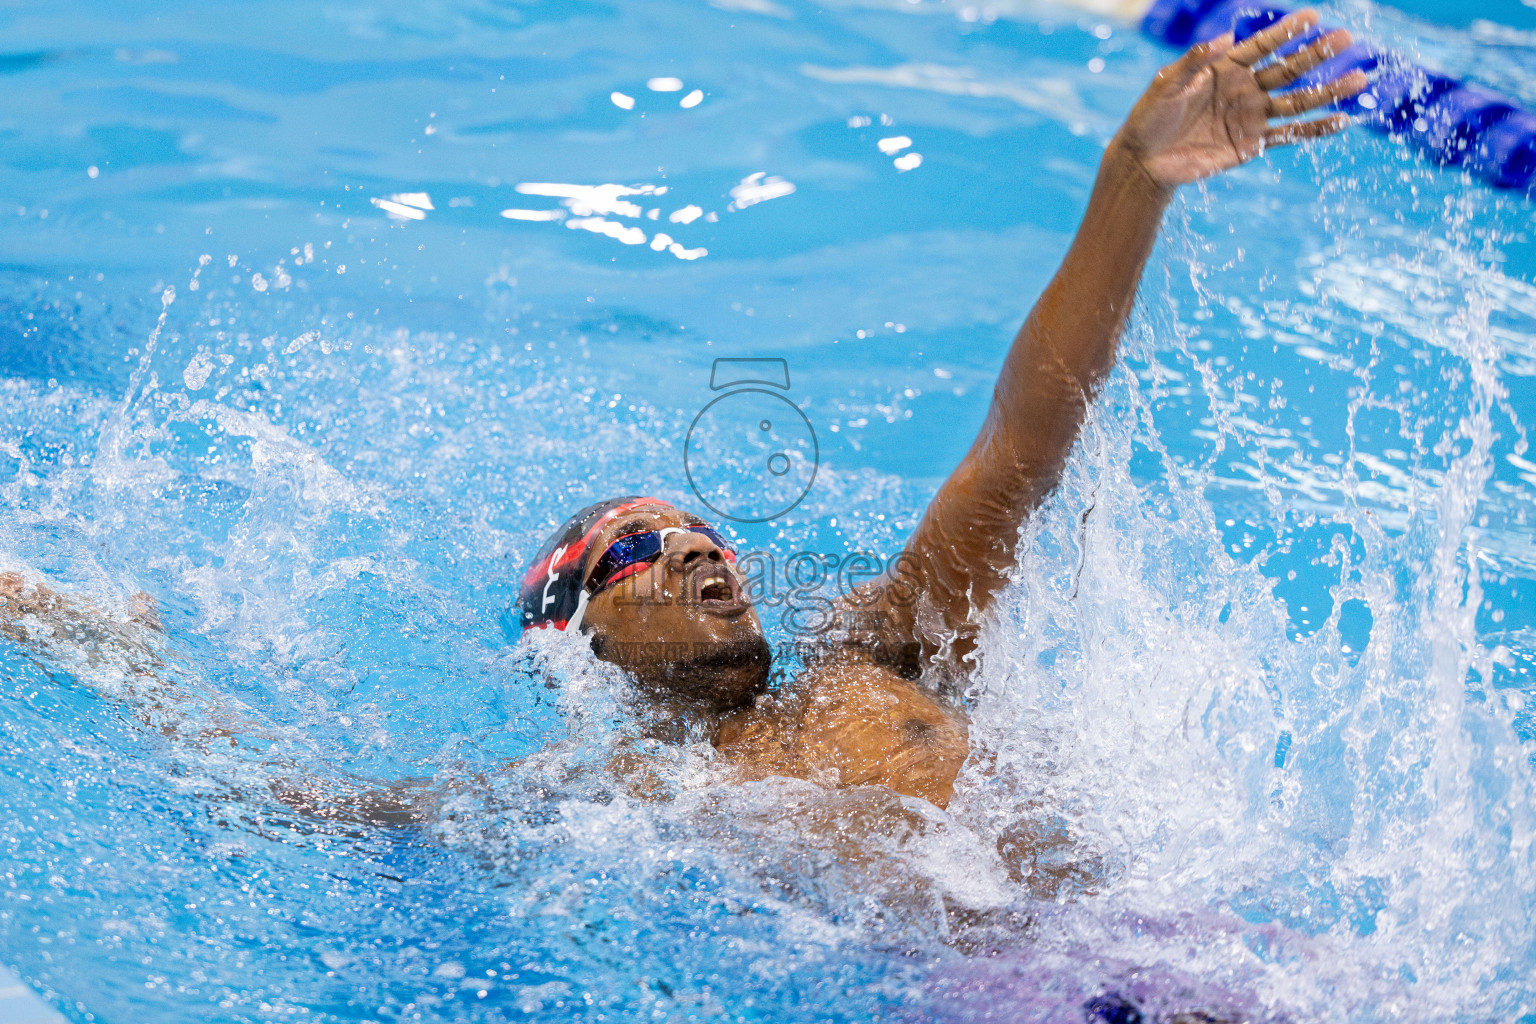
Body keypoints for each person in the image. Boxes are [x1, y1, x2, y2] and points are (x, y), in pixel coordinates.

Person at [0, 12, 1364, 819]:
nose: (706, 549)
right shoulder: (627, 808)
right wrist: (98, 648)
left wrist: (1136, 178)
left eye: (701, 527)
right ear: (575, 633)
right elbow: (326, 809)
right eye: (639, 549)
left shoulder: (879, 649)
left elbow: (1020, 449)